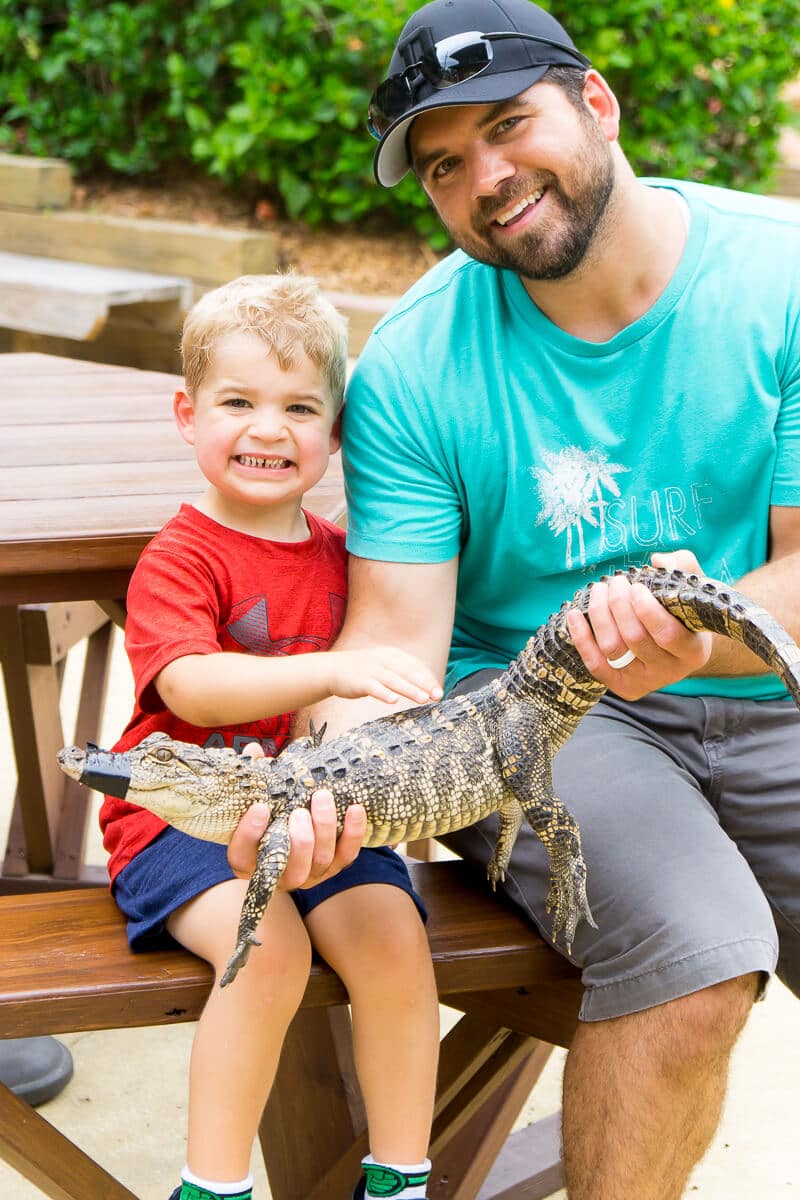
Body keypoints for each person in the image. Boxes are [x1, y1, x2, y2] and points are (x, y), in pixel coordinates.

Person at [229, 1, 800, 1196]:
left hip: (767, 680)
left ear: (594, 102)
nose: (486, 179)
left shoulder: (779, 275)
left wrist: (696, 644)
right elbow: (390, 649)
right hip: (536, 721)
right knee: (696, 967)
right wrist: (317, 784)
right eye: (444, 164)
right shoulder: (414, 363)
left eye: (508, 125)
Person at [101, 274, 443, 1200]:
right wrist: (331, 669)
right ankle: (213, 1186)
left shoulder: (347, 556)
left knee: (396, 940)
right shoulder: (181, 556)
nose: (267, 429)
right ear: (188, 413)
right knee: (268, 950)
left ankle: (402, 1175)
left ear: (335, 433)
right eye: (238, 402)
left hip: (313, 815)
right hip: (180, 822)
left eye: (300, 408)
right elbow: (193, 688)